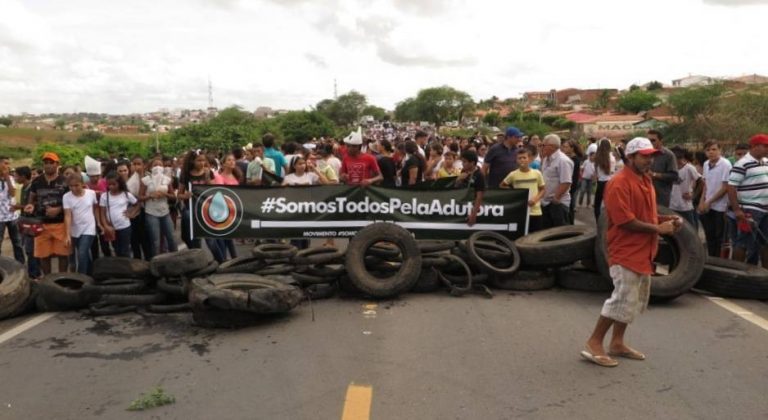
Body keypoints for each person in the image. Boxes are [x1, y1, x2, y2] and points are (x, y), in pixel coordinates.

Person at [582, 137, 683, 368]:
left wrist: (667, 220)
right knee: (621, 298)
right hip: (625, 249)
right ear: (630, 157)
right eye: (644, 156)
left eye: (651, 156)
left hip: (645, 250)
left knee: (632, 299)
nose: (649, 161)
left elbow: (647, 214)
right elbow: (624, 220)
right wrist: (658, 228)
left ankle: (617, 342)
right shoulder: (618, 183)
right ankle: (594, 342)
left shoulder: (645, 180)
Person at [25, 152, 70, 274]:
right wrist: (30, 206)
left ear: (57, 164)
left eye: (51, 163)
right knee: (44, 256)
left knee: (63, 255)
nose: (48, 165)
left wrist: (59, 209)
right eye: (46, 163)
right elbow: (32, 199)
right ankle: (48, 281)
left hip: (61, 224)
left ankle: (62, 280)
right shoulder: (37, 181)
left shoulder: (65, 181)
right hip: (41, 224)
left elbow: (71, 202)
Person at [727, 134, 768, 267]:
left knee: (765, 242)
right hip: (750, 209)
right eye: (765, 146)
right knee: (743, 243)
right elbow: (731, 186)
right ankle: (735, 272)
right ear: (755, 146)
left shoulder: (766, 161)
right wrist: (737, 210)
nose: (767, 149)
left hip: (765, 208)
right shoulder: (742, 164)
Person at [698, 141, 732, 257]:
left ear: (720, 150)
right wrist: (702, 201)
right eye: (708, 150)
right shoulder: (706, 164)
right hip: (708, 205)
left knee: (720, 237)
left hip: (721, 207)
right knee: (709, 234)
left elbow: (725, 187)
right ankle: (711, 258)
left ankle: (720, 262)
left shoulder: (725, 164)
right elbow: (705, 185)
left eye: (713, 149)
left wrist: (709, 201)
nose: (711, 152)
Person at [139, 157, 178, 259]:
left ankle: (177, 260)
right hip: (151, 213)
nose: (158, 167)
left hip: (165, 212)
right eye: (155, 165)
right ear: (151, 167)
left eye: (160, 165)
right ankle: (156, 263)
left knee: (171, 238)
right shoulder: (145, 180)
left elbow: (173, 196)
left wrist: (165, 194)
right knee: (155, 241)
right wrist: (150, 196)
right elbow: (140, 197)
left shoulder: (167, 180)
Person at [500, 148, 545, 233]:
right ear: (516, 160)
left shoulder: (537, 173)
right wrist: (515, 194)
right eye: (519, 158)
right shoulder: (513, 174)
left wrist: (535, 199)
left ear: (529, 159)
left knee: (535, 236)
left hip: (535, 211)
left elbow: (543, 189)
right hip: (521, 211)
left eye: (524, 157)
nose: (522, 160)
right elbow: (502, 185)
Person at [177, 150, 214, 249]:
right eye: (199, 160)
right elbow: (179, 194)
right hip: (191, 209)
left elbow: (214, 191)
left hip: (205, 209)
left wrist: (207, 178)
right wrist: (185, 196)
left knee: (210, 239)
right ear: (192, 161)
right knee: (190, 237)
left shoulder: (208, 173)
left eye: (203, 160)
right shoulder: (186, 174)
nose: (202, 163)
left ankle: (220, 260)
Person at [62, 174, 98, 274]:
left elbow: (95, 208)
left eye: (76, 185)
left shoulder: (91, 193)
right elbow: (67, 215)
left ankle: (81, 277)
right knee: (84, 254)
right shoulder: (66, 197)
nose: (73, 188)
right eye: (71, 186)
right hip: (75, 229)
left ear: (82, 184)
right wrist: (68, 234)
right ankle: (91, 274)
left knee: (82, 253)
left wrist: (98, 223)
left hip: (89, 228)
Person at [99, 171, 139, 258]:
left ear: (119, 183)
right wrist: (105, 225)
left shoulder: (126, 194)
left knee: (125, 249)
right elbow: (102, 213)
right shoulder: (104, 196)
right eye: (109, 185)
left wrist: (132, 213)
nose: (111, 187)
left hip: (124, 227)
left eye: (114, 184)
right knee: (116, 249)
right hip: (112, 228)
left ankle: (127, 268)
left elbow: (137, 204)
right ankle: (120, 268)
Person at [540, 134, 574, 228]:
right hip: (546, 203)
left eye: (543, 145)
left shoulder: (563, 160)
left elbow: (566, 182)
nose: (541, 148)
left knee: (559, 235)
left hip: (558, 204)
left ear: (552, 146)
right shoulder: (546, 159)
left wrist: (556, 198)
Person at [13, 166, 40, 278]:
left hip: (32, 222)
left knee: (31, 249)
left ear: (23, 177)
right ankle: (34, 272)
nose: (14, 177)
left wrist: (19, 207)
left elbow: (36, 204)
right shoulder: (23, 187)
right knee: (29, 249)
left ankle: (34, 274)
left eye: (16, 175)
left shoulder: (32, 188)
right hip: (25, 221)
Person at [669, 147, 701, 229]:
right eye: (675, 158)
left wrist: (693, 195)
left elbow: (701, 181)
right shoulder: (670, 169)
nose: (677, 160)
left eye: (679, 157)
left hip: (685, 205)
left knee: (691, 228)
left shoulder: (689, 168)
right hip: (672, 205)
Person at [0, 156, 24, 264]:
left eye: (8, 164)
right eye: (5, 163)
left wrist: (7, 178)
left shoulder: (11, 178)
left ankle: (21, 266)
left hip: (12, 216)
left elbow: (12, 193)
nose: (7, 166)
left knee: (17, 243)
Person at [647, 130, 679, 207]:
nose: (650, 142)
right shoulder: (645, 154)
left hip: (661, 197)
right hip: (646, 195)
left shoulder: (668, 155)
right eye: (648, 140)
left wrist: (654, 175)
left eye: (653, 140)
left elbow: (674, 176)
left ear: (661, 141)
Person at [455, 150, 485, 226]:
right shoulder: (463, 171)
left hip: (472, 207)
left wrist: (473, 214)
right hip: (461, 205)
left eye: (464, 162)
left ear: (472, 163)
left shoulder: (479, 175)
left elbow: (479, 196)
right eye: (462, 161)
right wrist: (459, 180)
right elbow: (456, 188)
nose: (462, 164)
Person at [593, 138, 616, 220]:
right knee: (610, 204)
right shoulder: (612, 158)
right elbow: (613, 171)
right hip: (610, 182)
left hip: (601, 182)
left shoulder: (597, 157)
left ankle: (598, 222)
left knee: (597, 204)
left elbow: (596, 172)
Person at [562, 140, 584, 224]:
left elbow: (574, 177)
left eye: (566, 147)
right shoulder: (568, 158)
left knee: (570, 206)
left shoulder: (575, 160)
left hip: (571, 186)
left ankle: (571, 224)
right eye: (563, 146)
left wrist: (571, 188)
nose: (564, 148)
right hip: (569, 186)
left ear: (572, 148)